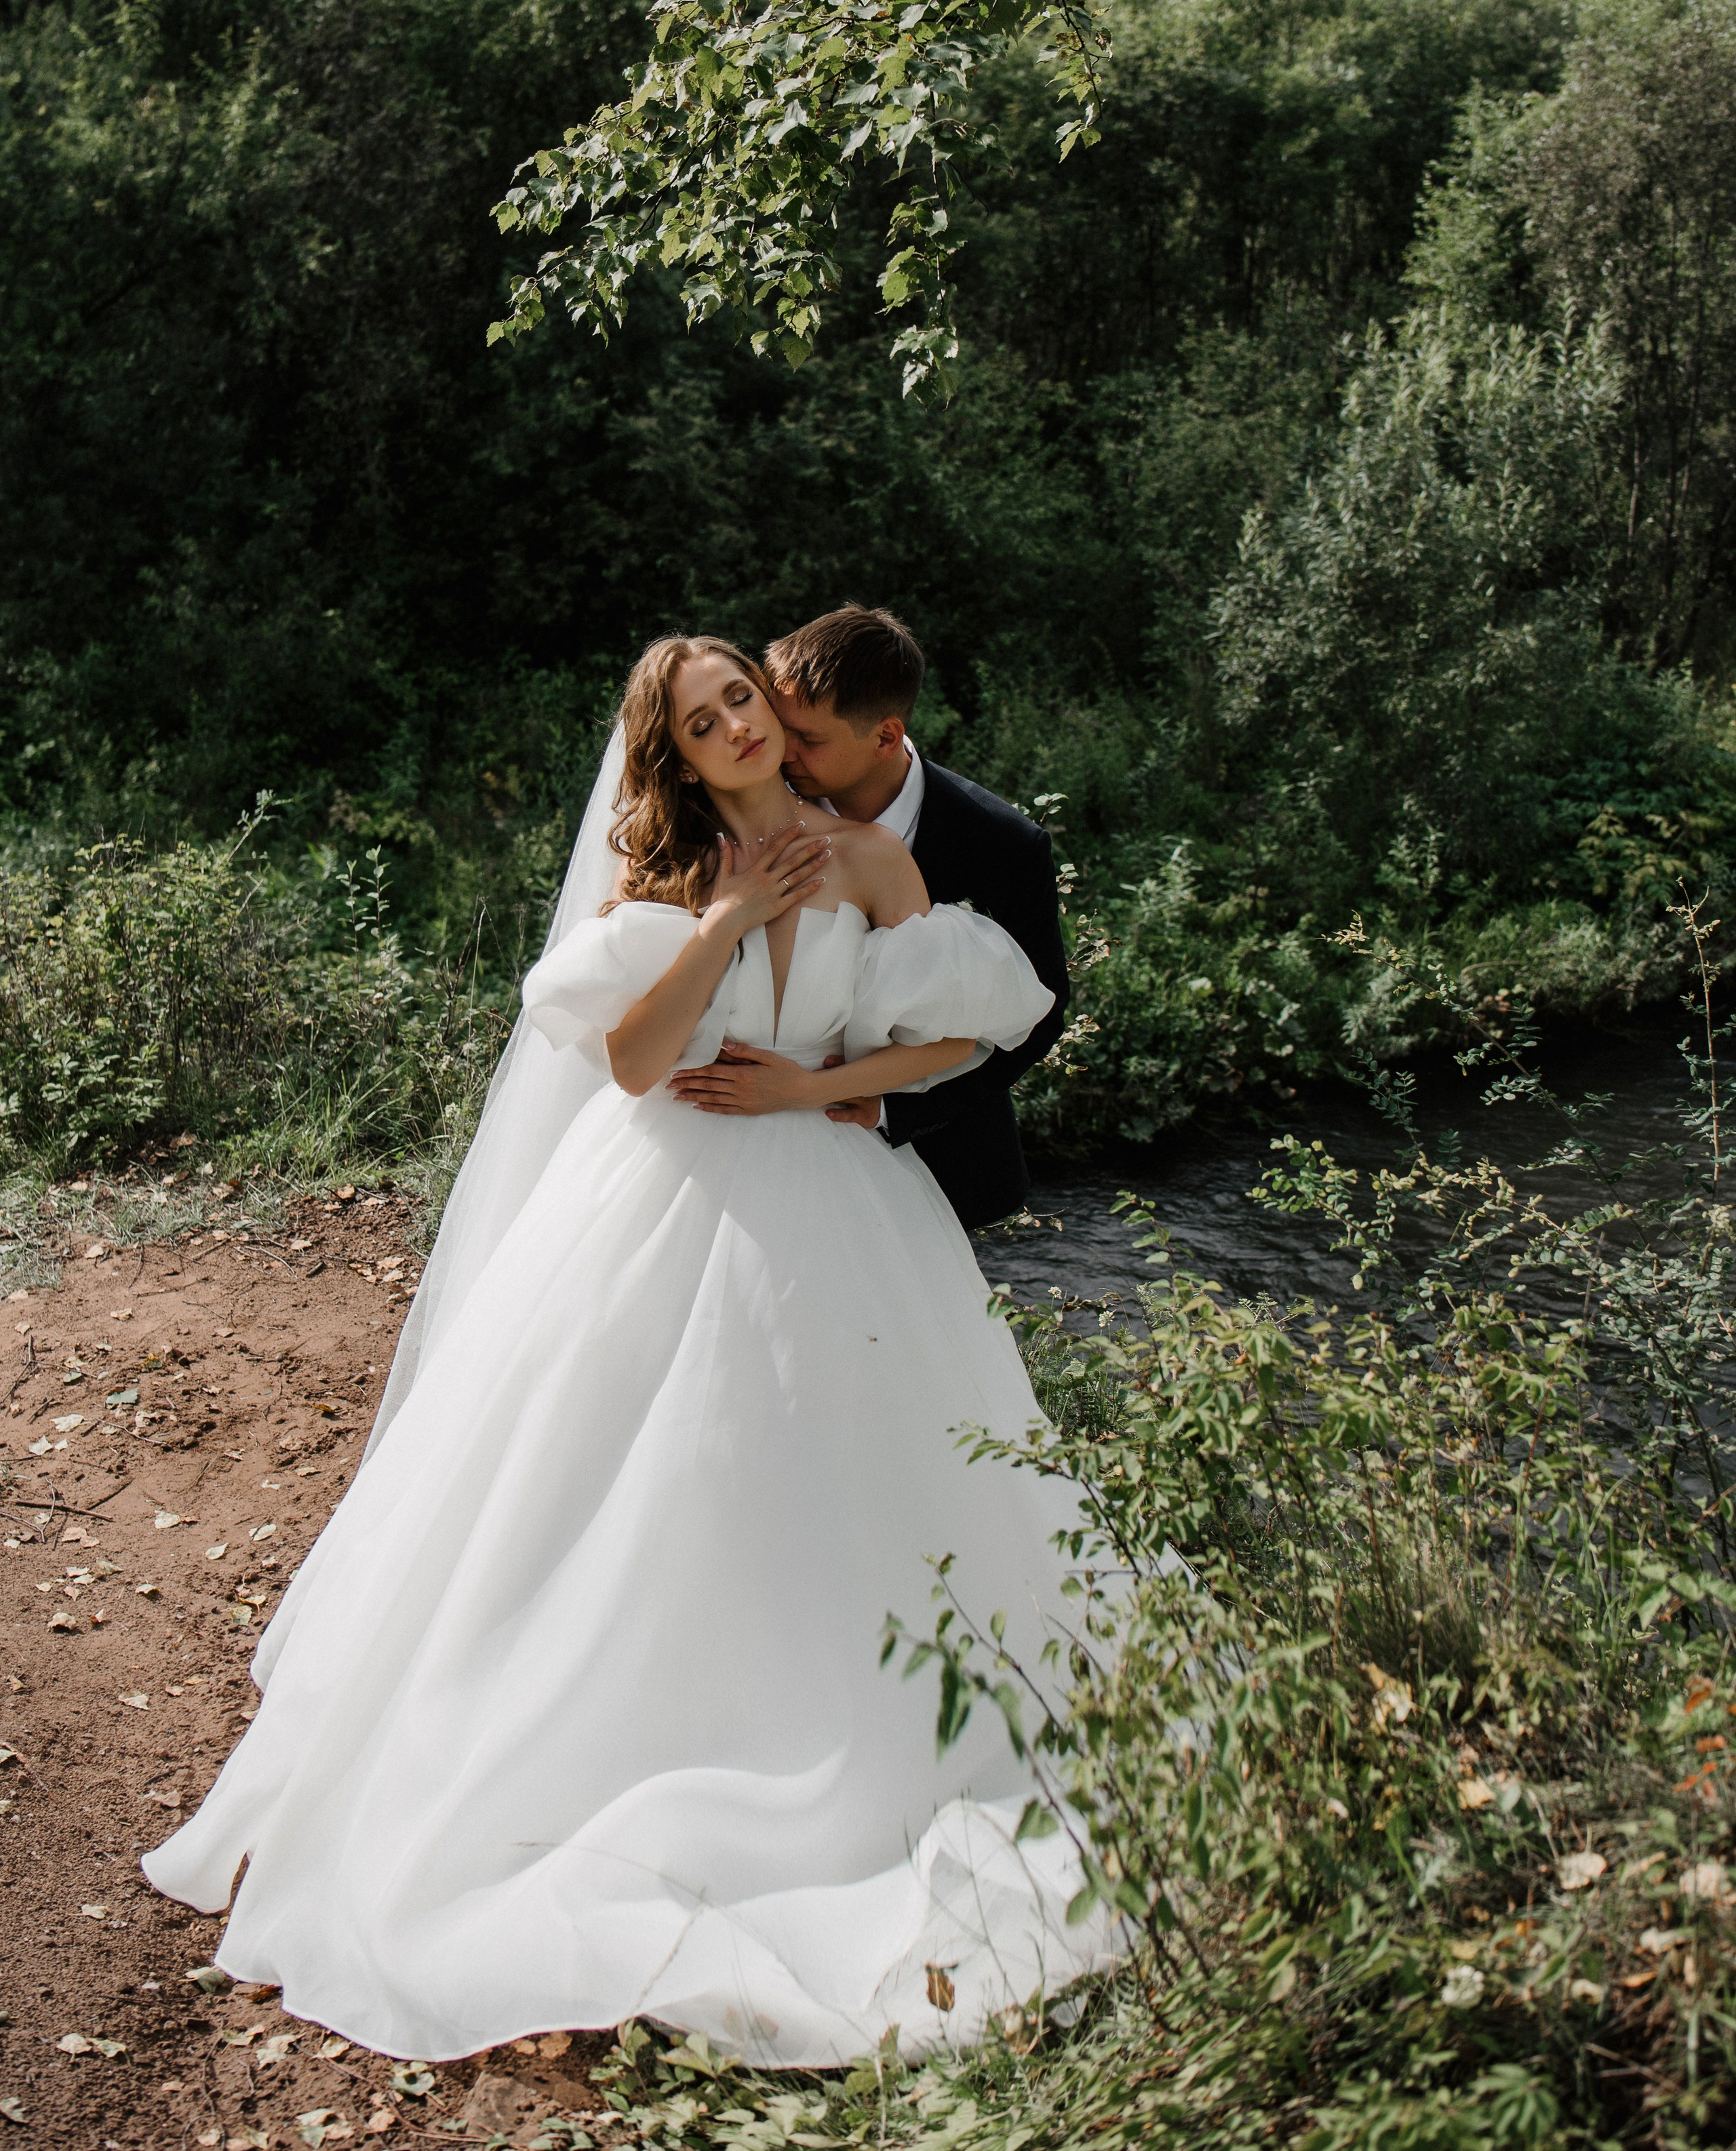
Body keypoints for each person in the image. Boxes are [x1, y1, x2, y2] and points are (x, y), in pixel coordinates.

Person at [140, 635, 1111, 2068]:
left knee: (847, 1473)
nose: (733, 724)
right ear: (671, 748)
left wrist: (813, 1087)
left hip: (836, 1197)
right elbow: (632, 1063)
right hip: (658, 1195)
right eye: (702, 715)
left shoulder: (869, 863)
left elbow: (950, 1043)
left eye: (742, 698)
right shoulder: (663, 881)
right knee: (631, 1466)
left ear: (777, 717)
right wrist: (722, 923)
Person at [669, 608, 1065, 1229]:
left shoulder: (1003, 846)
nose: (779, 746)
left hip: (939, 1150)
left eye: (810, 740)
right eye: (781, 721)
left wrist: (886, 1107)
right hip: (748, 1162)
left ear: (884, 737)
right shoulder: (746, 822)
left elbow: (1037, 1014)